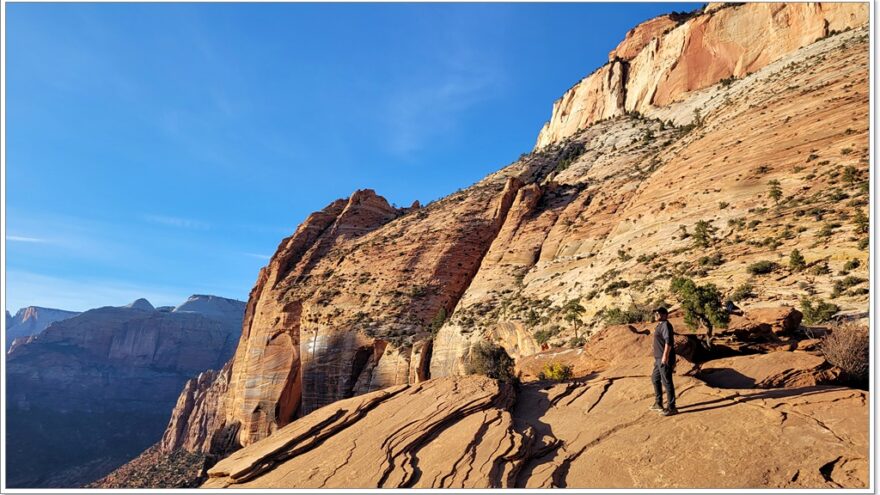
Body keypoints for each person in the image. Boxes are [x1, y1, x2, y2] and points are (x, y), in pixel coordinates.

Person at [650, 307, 677, 416]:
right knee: (655, 378)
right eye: (656, 314)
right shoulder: (660, 325)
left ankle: (672, 407)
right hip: (658, 359)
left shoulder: (665, 325)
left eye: (659, 313)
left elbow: (668, 342)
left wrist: (665, 357)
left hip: (663, 358)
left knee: (667, 382)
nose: (656, 315)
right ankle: (658, 403)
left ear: (665, 314)